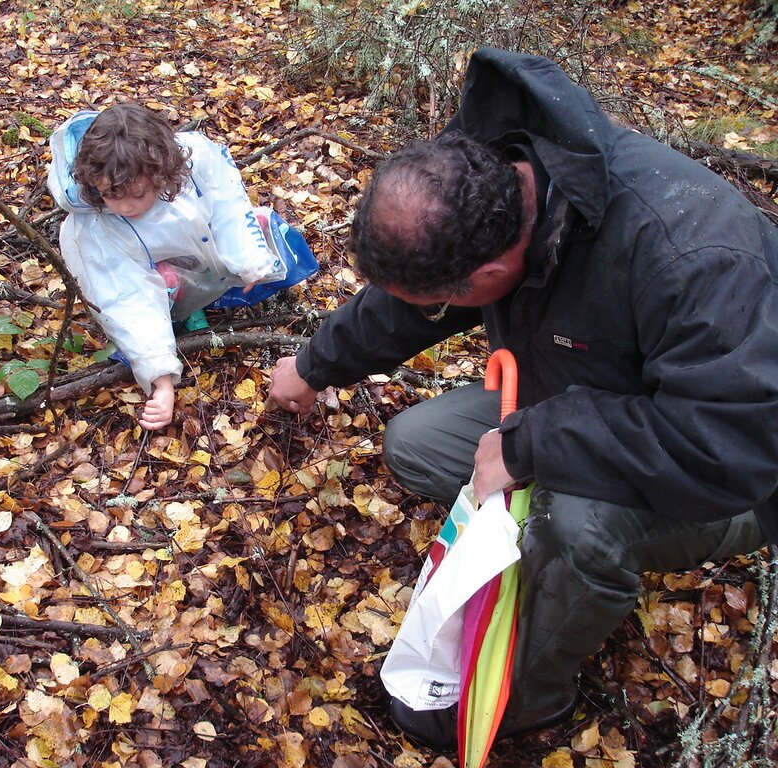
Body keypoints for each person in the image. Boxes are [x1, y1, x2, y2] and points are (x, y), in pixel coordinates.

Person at [269, 47, 778, 749]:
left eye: (451, 299)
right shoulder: (486, 184)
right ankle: (539, 540)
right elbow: (411, 302)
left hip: (735, 468)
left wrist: (530, 445)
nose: (437, 309)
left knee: (575, 525)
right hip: (584, 407)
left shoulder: (690, 256)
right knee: (417, 445)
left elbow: (728, 447)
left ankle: (526, 701)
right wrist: (316, 363)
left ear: (494, 270)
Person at [48, 103, 310, 429]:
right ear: (94, 185)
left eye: (137, 194)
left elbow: (228, 202)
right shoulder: (95, 228)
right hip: (162, 283)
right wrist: (161, 378)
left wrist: (250, 261)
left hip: (203, 259)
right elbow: (126, 295)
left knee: (271, 238)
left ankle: (208, 300)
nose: (125, 206)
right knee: (159, 286)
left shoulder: (196, 158)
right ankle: (181, 316)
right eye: (111, 195)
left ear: (160, 175)